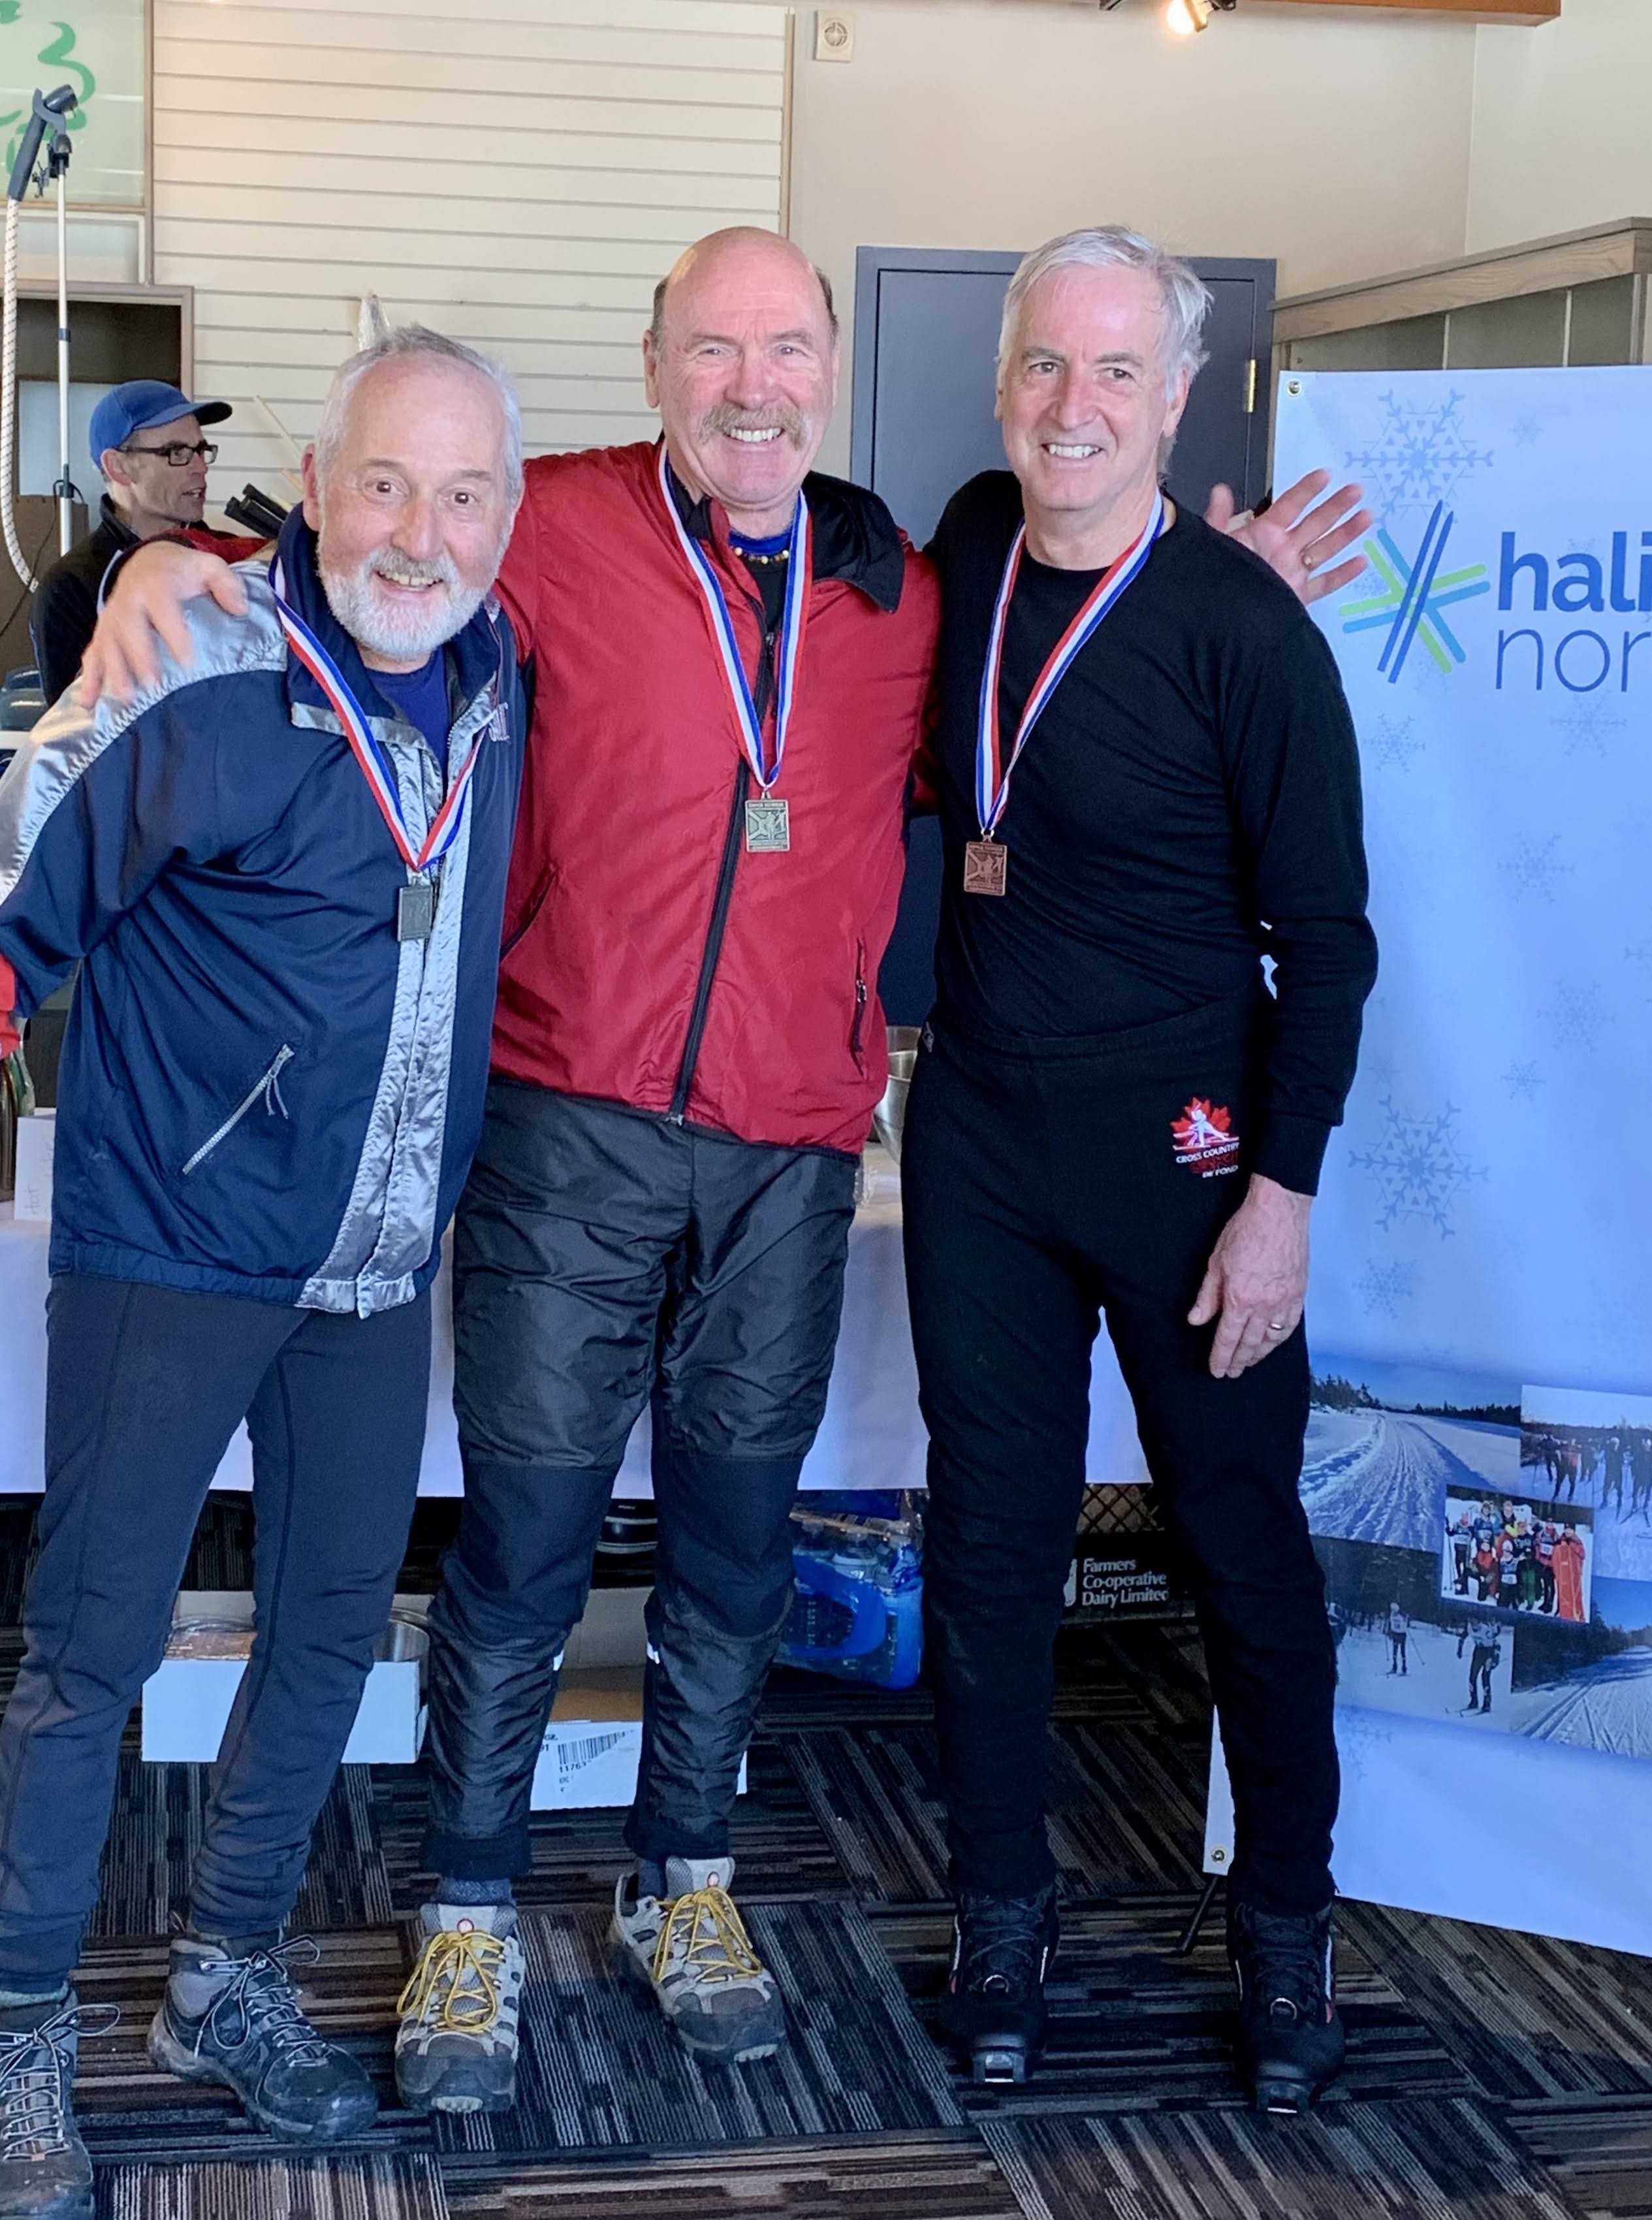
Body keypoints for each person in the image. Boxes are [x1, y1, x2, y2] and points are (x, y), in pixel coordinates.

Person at [76, 225, 1373, 2108]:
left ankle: (689, 1878)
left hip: (798, 1148)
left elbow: (1150, 722)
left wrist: (1218, 587)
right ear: (656, 361)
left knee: (740, 1551)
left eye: (784, 350)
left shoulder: (903, 576)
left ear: (831, 369)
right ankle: (468, 1902)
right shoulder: (575, 524)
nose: (750, 388)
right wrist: (163, 572)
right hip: (572, 1126)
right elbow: (376, 555)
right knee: (523, 1546)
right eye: (712, 349)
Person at [0, 325, 525, 2215]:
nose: (419, 532)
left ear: (506, 516)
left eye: (462, 494)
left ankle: (221, 1973)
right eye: (383, 482)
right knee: (92, 1655)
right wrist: (151, 572)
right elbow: (15, 883)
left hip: (377, 1266)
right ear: (312, 485)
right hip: (176, 1242)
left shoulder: (498, 671)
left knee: (326, 1635)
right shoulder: (192, 659)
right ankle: (19, 2025)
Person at [900, 225, 1377, 2113]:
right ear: (1000, 380)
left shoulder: (1247, 633)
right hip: (979, 1136)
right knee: (988, 1545)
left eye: (1116, 372)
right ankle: (1001, 1912)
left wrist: (1281, 1199)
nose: (1073, 405)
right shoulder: (963, 544)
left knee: (1239, 1543)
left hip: (1188, 1154)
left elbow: (1326, 945)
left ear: (1176, 400)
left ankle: (1287, 1918)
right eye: (1045, 364)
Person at [27, 380, 239, 705]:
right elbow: (78, 723)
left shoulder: (231, 559)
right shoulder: (71, 589)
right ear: (118, 467)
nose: (200, 468)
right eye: (177, 453)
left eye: (200, 450)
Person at [1553, 1524, 1587, 1622]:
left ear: (1574, 1531)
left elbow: (1582, 1555)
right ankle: (1565, 1616)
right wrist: (1557, 1573)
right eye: (1567, 1529)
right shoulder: (1559, 1542)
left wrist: (1573, 1546)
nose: (1568, 1532)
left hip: (1574, 1575)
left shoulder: (1577, 1542)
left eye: (1570, 1530)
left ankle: (1579, 1617)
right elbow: (1555, 1558)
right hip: (1563, 1576)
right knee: (1564, 1597)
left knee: (1576, 1596)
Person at [1467, 1624, 1501, 1713]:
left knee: (1485, 1678)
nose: (1473, 1624)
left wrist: (1495, 1659)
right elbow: (1463, 1635)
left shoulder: (1486, 1629)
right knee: (1472, 1677)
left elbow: (1496, 1644)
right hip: (1478, 1651)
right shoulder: (1470, 1627)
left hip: (1489, 1652)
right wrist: (1460, 1647)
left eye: (1475, 1622)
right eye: (1471, 1621)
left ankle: (1487, 1704)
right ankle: (1474, 1701)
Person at [1386, 1603, 1409, 1675]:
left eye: (1394, 1610)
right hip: (1395, 1635)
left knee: (1402, 1652)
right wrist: (1390, 1633)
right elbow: (1392, 1625)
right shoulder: (1392, 1615)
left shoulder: (1402, 1615)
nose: (1393, 1611)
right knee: (1394, 1652)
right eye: (1392, 1610)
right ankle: (1394, 1668)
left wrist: (1405, 1617)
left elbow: (1406, 1622)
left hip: (1402, 1635)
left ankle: (1404, 1669)